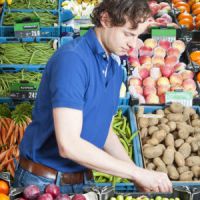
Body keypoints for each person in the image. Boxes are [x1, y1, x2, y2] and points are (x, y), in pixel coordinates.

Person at [13, 0, 172, 194]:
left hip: (81, 182)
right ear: (105, 19)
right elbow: (69, 145)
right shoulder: (73, 60)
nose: (133, 44)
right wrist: (134, 173)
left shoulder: (113, 67)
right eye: (128, 34)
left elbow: (103, 132)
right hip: (43, 184)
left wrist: (138, 173)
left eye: (137, 36)